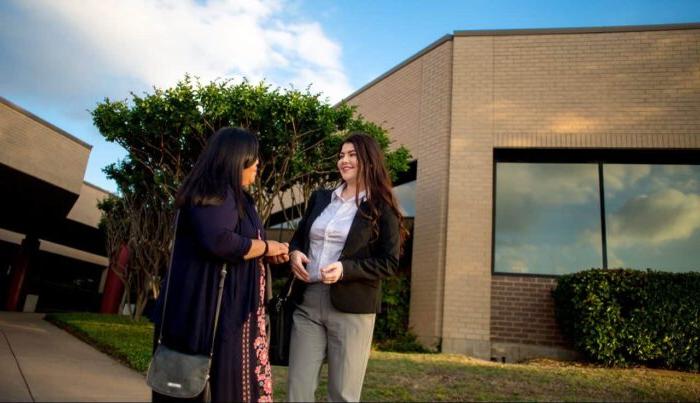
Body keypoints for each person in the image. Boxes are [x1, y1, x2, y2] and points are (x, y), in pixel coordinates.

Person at [152, 127, 289, 402]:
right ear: (237, 159)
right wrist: (266, 247)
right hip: (211, 318)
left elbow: (234, 242)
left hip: (230, 314)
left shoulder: (233, 196)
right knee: (207, 387)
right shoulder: (216, 191)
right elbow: (219, 241)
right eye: (253, 159)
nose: (258, 165)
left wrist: (265, 253)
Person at [286, 132, 407, 402]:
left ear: (369, 160)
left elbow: (388, 262)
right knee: (298, 387)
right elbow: (300, 236)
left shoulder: (381, 206)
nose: (344, 160)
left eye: (352, 155)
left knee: (343, 393)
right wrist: (294, 253)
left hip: (353, 308)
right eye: (341, 155)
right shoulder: (321, 198)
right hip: (309, 300)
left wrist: (345, 268)